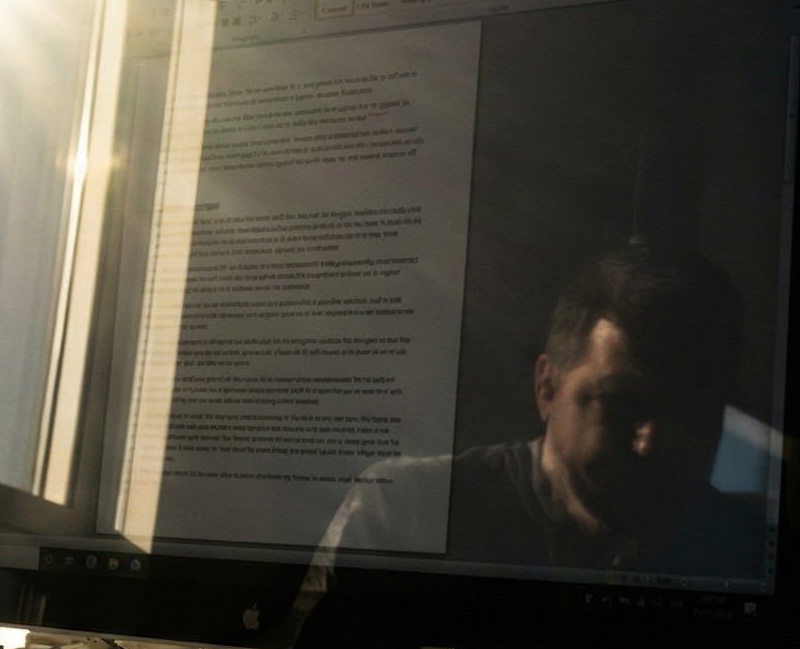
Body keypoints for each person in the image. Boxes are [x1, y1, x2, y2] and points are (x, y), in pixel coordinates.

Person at [309, 238, 765, 601]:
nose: (652, 441)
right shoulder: (406, 508)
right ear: (548, 387)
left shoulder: (748, 548)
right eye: (620, 403)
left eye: (689, 408)